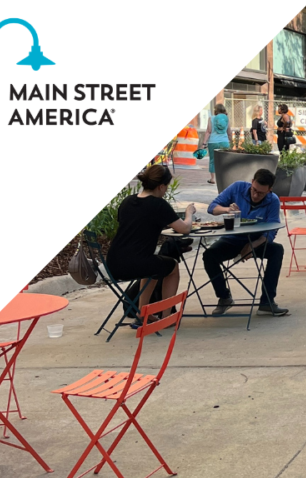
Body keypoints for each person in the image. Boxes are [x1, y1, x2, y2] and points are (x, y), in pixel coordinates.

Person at [106, 165, 195, 324]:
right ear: (161, 186)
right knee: (172, 267)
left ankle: (142, 313)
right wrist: (189, 213)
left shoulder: (128, 201)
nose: (166, 190)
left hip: (113, 263)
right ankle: (166, 317)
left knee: (153, 268)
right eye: (166, 187)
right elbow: (185, 228)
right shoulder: (158, 204)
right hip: (136, 263)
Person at [204, 168, 288, 316]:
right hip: (232, 239)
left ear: (269, 190)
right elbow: (212, 208)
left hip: (256, 241)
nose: (256, 195)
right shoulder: (237, 188)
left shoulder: (273, 200)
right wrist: (227, 209)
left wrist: (252, 246)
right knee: (209, 255)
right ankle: (224, 297)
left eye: (261, 193)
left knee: (277, 250)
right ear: (252, 183)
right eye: (254, 190)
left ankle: (267, 301)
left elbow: (272, 230)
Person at [202, 104, 231, 185]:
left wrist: (204, 143)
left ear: (216, 110)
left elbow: (208, 131)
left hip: (213, 142)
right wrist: (231, 142)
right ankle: (224, 177)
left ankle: (212, 179)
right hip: (225, 142)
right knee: (224, 160)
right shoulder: (226, 119)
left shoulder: (211, 118)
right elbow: (229, 132)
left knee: (212, 160)